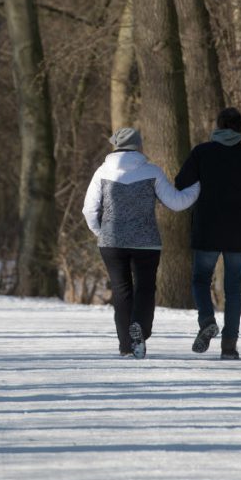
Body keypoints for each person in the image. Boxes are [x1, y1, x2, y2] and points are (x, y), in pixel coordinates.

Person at [83, 127, 199, 359]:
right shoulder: (152, 172)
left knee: (121, 291)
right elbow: (176, 203)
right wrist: (198, 185)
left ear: (116, 145)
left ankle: (126, 346)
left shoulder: (102, 172)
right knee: (145, 289)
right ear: (139, 146)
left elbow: (88, 209)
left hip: (112, 242)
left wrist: (101, 232)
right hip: (146, 242)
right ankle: (140, 330)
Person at [174, 107, 241, 359]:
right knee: (233, 290)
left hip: (207, 228)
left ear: (218, 126)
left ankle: (207, 320)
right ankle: (229, 346)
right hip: (237, 232)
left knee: (200, 280)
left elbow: (181, 182)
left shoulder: (201, 153)